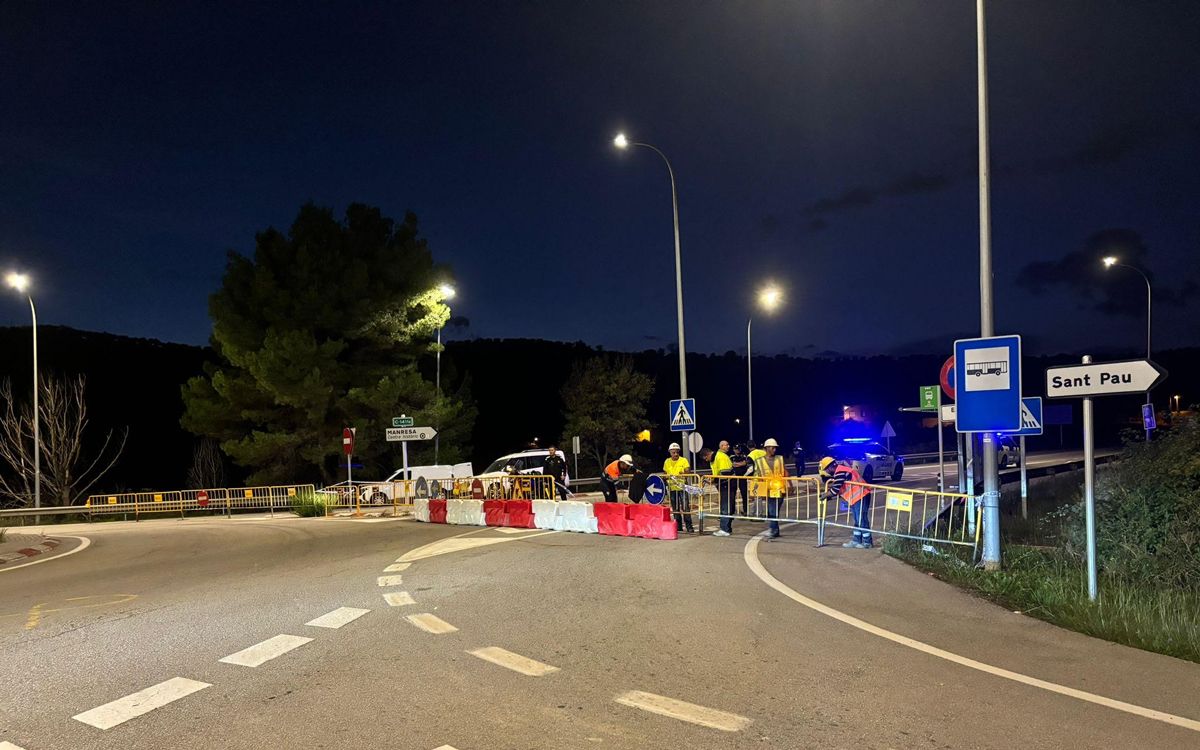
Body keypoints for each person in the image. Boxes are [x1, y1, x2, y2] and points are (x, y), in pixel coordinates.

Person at [819, 455, 872, 548]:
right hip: (856, 497)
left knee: (861, 519)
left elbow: (835, 490)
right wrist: (829, 496)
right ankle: (856, 540)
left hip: (861, 495)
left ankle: (867, 542)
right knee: (857, 520)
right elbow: (839, 489)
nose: (826, 472)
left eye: (826, 470)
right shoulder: (840, 471)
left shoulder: (840, 472)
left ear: (830, 467)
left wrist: (825, 495)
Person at [753, 438, 788, 540]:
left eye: (775, 448)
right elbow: (757, 476)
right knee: (772, 511)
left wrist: (789, 485)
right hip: (768, 490)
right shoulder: (759, 461)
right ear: (767, 448)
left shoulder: (780, 458)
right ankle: (774, 530)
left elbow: (784, 472)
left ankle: (774, 530)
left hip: (780, 489)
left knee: (774, 510)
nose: (774, 449)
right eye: (772, 447)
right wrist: (757, 491)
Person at [704, 440, 735, 536]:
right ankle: (727, 528)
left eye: (706, 458)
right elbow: (718, 473)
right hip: (724, 484)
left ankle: (724, 529)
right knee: (726, 506)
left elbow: (726, 473)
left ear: (708, 454)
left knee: (725, 507)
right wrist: (712, 480)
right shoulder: (715, 458)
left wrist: (714, 480)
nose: (706, 460)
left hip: (727, 484)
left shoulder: (720, 457)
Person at [663, 442, 694, 533]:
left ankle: (689, 527)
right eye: (673, 452)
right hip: (672, 488)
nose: (676, 454)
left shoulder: (683, 460)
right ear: (670, 452)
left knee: (685, 508)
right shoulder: (667, 461)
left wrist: (685, 472)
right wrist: (665, 477)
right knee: (675, 508)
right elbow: (664, 473)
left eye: (677, 452)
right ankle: (678, 526)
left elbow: (688, 471)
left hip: (682, 487)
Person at [730, 444, 753, 515]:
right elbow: (732, 464)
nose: (737, 450)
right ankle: (732, 510)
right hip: (734, 478)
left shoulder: (744, 455)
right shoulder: (731, 457)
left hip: (743, 477)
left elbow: (745, 463)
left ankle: (745, 511)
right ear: (733, 449)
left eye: (738, 448)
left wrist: (738, 464)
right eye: (736, 449)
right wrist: (740, 464)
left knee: (744, 495)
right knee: (732, 495)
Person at [747, 440, 767, 516]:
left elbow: (750, 469)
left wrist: (744, 476)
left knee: (758, 496)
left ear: (748, 447)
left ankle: (759, 513)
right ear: (755, 445)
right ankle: (753, 512)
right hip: (765, 476)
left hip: (756, 478)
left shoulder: (751, 455)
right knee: (757, 496)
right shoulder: (763, 452)